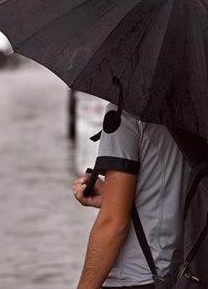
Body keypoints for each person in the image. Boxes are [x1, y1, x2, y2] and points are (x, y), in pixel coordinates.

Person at [71, 105, 190, 289]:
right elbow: (176, 192)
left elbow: (114, 223)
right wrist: (111, 197)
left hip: (134, 278)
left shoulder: (123, 114)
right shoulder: (196, 114)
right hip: (182, 274)